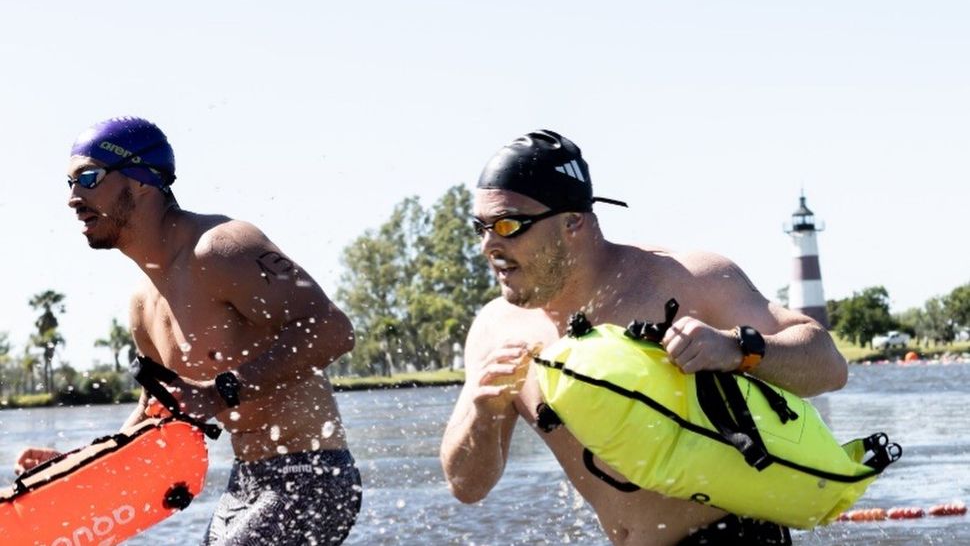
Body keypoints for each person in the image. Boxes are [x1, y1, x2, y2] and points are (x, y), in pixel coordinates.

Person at [440, 130, 848, 545]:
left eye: (508, 225)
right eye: (481, 227)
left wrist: (737, 348)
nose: (489, 245)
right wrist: (482, 412)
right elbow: (466, 487)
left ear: (573, 222)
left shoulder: (687, 280)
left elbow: (829, 367)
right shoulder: (496, 328)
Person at [16, 117, 361, 545]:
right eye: (68, 184)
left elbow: (332, 330)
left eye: (88, 178)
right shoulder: (143, 306)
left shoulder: (222, 247)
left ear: (142, 180)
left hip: (311, 477)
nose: (73, 198)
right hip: (245, 483)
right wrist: (72, 468)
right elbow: (152, 422)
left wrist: (221, 392)